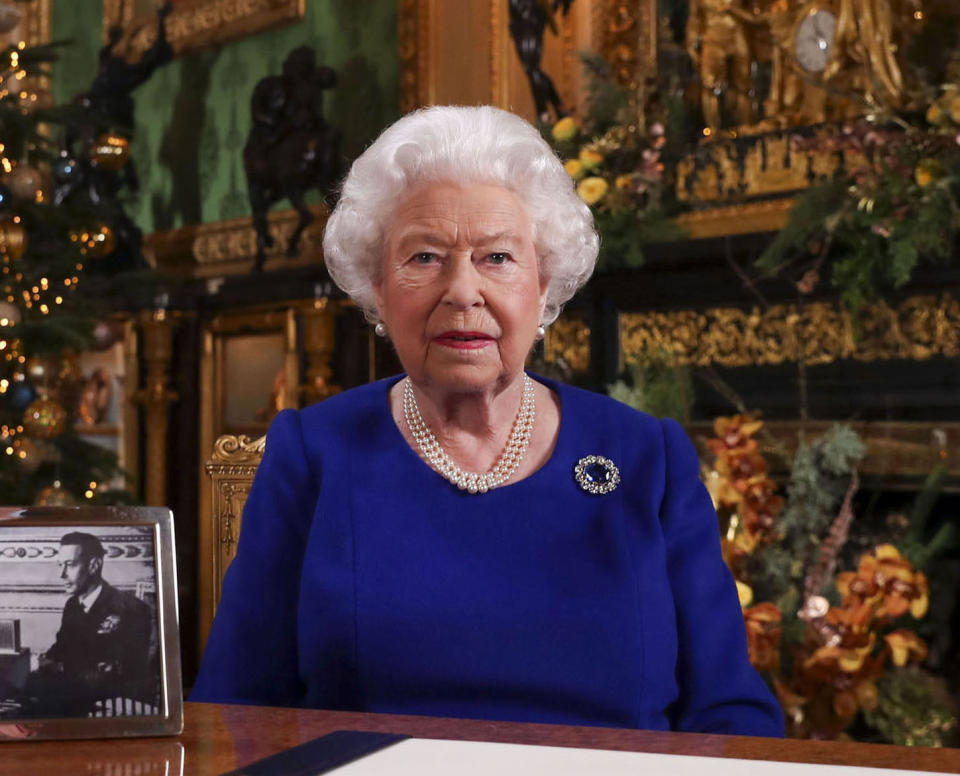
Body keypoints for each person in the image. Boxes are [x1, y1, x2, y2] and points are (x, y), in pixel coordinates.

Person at [192, 105, 784, 736]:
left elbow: (728, 709)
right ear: (377, 287)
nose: (463, 291)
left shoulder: (646, 457)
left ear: (544, 281)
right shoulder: (313, 455)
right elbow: (235, 710)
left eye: (497, 257)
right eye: (424, 258)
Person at [21, 533, 155, 717]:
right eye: (60, 565)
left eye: (70, 565)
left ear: (93, 565)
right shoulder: (72, 605)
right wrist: (41, 661)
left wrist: (59, 668)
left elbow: (122, 672)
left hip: (111, 704)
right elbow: (61, 648)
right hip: (73, 694)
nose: (61, 574)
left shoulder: (131, 609)